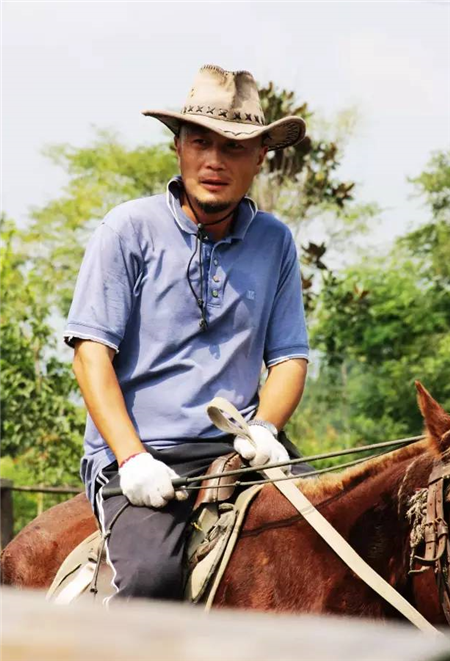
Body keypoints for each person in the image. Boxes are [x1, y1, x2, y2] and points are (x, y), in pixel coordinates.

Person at [64, 64, 310, 601]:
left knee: (341, 538)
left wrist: (264, 428)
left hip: (240, 447)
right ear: (178, 147)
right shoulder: (127, 229)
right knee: (150, 582)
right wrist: (131, 458)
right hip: (146, 453)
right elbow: (90, 355)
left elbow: (289, 358)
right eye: (201, 142)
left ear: (260, 158)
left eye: (235, 147)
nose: (215, 161)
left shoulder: (275, 241)